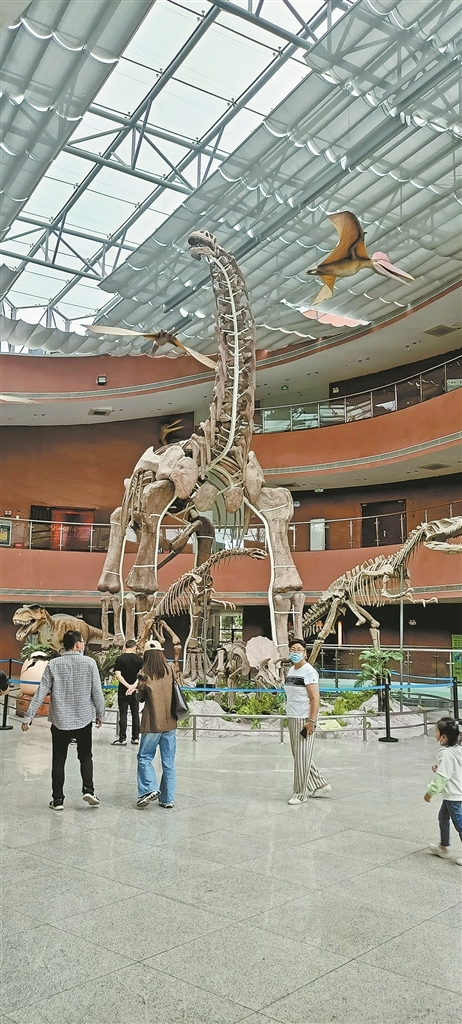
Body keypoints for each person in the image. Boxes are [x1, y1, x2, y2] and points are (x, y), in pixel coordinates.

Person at [21, 629, 105, 811]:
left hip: (60, 720)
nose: (83, 644)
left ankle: (58, 800)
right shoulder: (89, 663)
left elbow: (41, 691)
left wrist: (29, 716)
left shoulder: (53, 664)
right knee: (85, 756)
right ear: (77, 644)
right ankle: (88, 790)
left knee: (59, 760)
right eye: (82, 642)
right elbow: (97, 692)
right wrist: (100, 713)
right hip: (83, 719)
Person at [126, 639, 177, 809]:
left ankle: (149, 789)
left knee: (144, 757)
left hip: (153, 722)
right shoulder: (170, 669)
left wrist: (136, 691)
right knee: (168, 761)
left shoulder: (144, 674)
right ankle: (167, 799)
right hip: (170, 722)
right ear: (161, 653)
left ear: (146, 656)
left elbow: (140, 698)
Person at [284, 638, 331, 805]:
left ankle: (300, 794)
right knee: (300, 755)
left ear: (305, 653)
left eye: (299, 650)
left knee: (302, 757)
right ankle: (320, 784)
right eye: (293, 649)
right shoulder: (291, 670)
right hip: (293, 717)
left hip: (304, 718)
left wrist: (311, 721)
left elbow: (315, 698)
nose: (295, 652)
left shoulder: (309, 672)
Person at [424, 717, 462, 865]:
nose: (435, 734)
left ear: (444, 737)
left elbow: (442, 777)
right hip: (454, 793)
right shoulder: (457, 750)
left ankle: (444, 847)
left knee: (459, 824)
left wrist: (430, 792)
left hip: (453, 795)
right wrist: (440, 768)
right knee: (443, 817)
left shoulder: (446, 754)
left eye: (436, 731)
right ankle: (443, 847)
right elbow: (451, 769)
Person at [112, 639, 142, 746]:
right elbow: (141, 676)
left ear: (125, 647)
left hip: (122, 691)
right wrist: (133, 686)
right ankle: (135, 738)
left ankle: (122, 738)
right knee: (135, 714)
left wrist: (127, 686)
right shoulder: (139, 660)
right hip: (135, 691)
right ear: (134, 647)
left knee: (123, 714)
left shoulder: (120, 659)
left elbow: (118, 675)